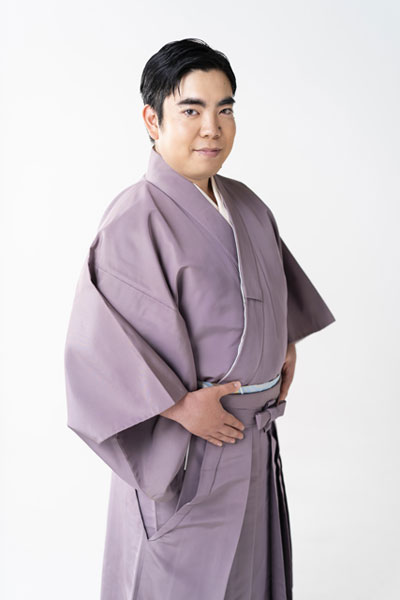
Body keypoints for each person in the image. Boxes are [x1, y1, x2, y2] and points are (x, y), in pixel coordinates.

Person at [64, 38, 336, 600]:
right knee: (177, 581)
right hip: (189, 450)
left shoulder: (247, 204)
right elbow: (100, 350)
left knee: (249, 581)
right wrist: (178, 406)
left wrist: (283, 343)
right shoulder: (134, 217)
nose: (212, 128)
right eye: (191, 110)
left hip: (252, 441)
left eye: (224, 109)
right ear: (153, 119)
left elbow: (270, 294)